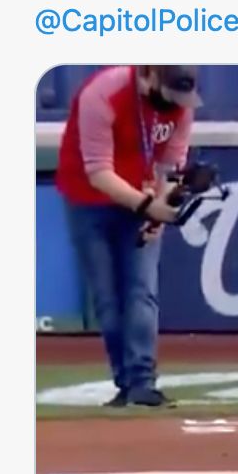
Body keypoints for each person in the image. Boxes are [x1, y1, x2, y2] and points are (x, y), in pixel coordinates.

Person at [53, 65, 200, 407]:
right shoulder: (102, 95)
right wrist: (148, 206)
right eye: (170, 95)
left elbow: (171, 163)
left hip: (141, 193)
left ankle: (142, 382)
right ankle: (124, 380)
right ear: (148, 77)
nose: (175, 105)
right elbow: (99, 172)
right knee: (107, 297)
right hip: (87, 200)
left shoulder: (181, 105)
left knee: (142, 290)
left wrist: (160, 207)